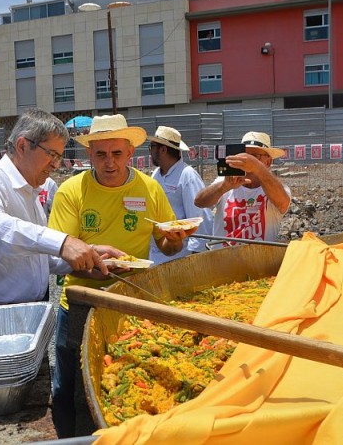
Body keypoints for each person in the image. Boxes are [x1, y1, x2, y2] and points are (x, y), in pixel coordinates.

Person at [48, 114, 197, 438]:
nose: (109, 162)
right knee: (67, 389)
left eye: (117, 154)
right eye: (101, 154)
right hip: (80, 301)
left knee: (123, 381)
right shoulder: (72, 191)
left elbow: (167, 245)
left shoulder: (149, 189)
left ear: (131, 154)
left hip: (129, 300)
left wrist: (173, 241)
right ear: (90, 155)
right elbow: (58, 254)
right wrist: (95, 261)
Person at [0, 109, 119, 310]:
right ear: (22, 145)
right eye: (52, 155)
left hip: (25, 309)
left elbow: (36, 256)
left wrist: (88, 257)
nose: (56, 165)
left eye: (59, 157)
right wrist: (63, 243)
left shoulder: (30, 190)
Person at [194, 131, 291, 244]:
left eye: (254, 156)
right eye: (245, 155)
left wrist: (257, 168)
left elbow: (283, 203)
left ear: (268, 162)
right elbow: (199, 202)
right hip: (223, 258)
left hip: (261, 259)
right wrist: (224, 187)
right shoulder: (226, 181)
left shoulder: (275, 188)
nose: (247, 161)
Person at [148, 126, 213, 264]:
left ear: (163, 149)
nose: (151, 151)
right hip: (157, 255)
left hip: (180, 256)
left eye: (152, 147)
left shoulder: (187, 175)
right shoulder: (156, 175)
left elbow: (200, 217)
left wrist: (195, 255)